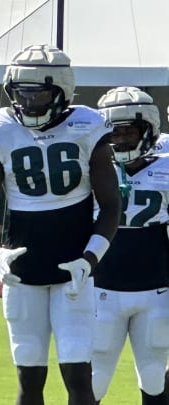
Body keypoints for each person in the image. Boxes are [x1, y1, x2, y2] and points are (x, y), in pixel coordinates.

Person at [0, 44, 121, 405]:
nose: (28, 101)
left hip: (74, 270)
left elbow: (112, 206)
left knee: (78, 374)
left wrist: (89, 260)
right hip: (23, 272)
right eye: (21, 93)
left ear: (61, 90)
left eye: (37, 92)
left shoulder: (87, 125)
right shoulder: (1, 127)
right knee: (29, 377)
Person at [90, 87, 169, 405]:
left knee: (153, 377)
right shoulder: (91, 169)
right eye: (113, 132)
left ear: (148, 130)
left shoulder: (165, 167)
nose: (120, 139)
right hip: (101, 287)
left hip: (156, 289)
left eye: (129, 131)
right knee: (94, 380)